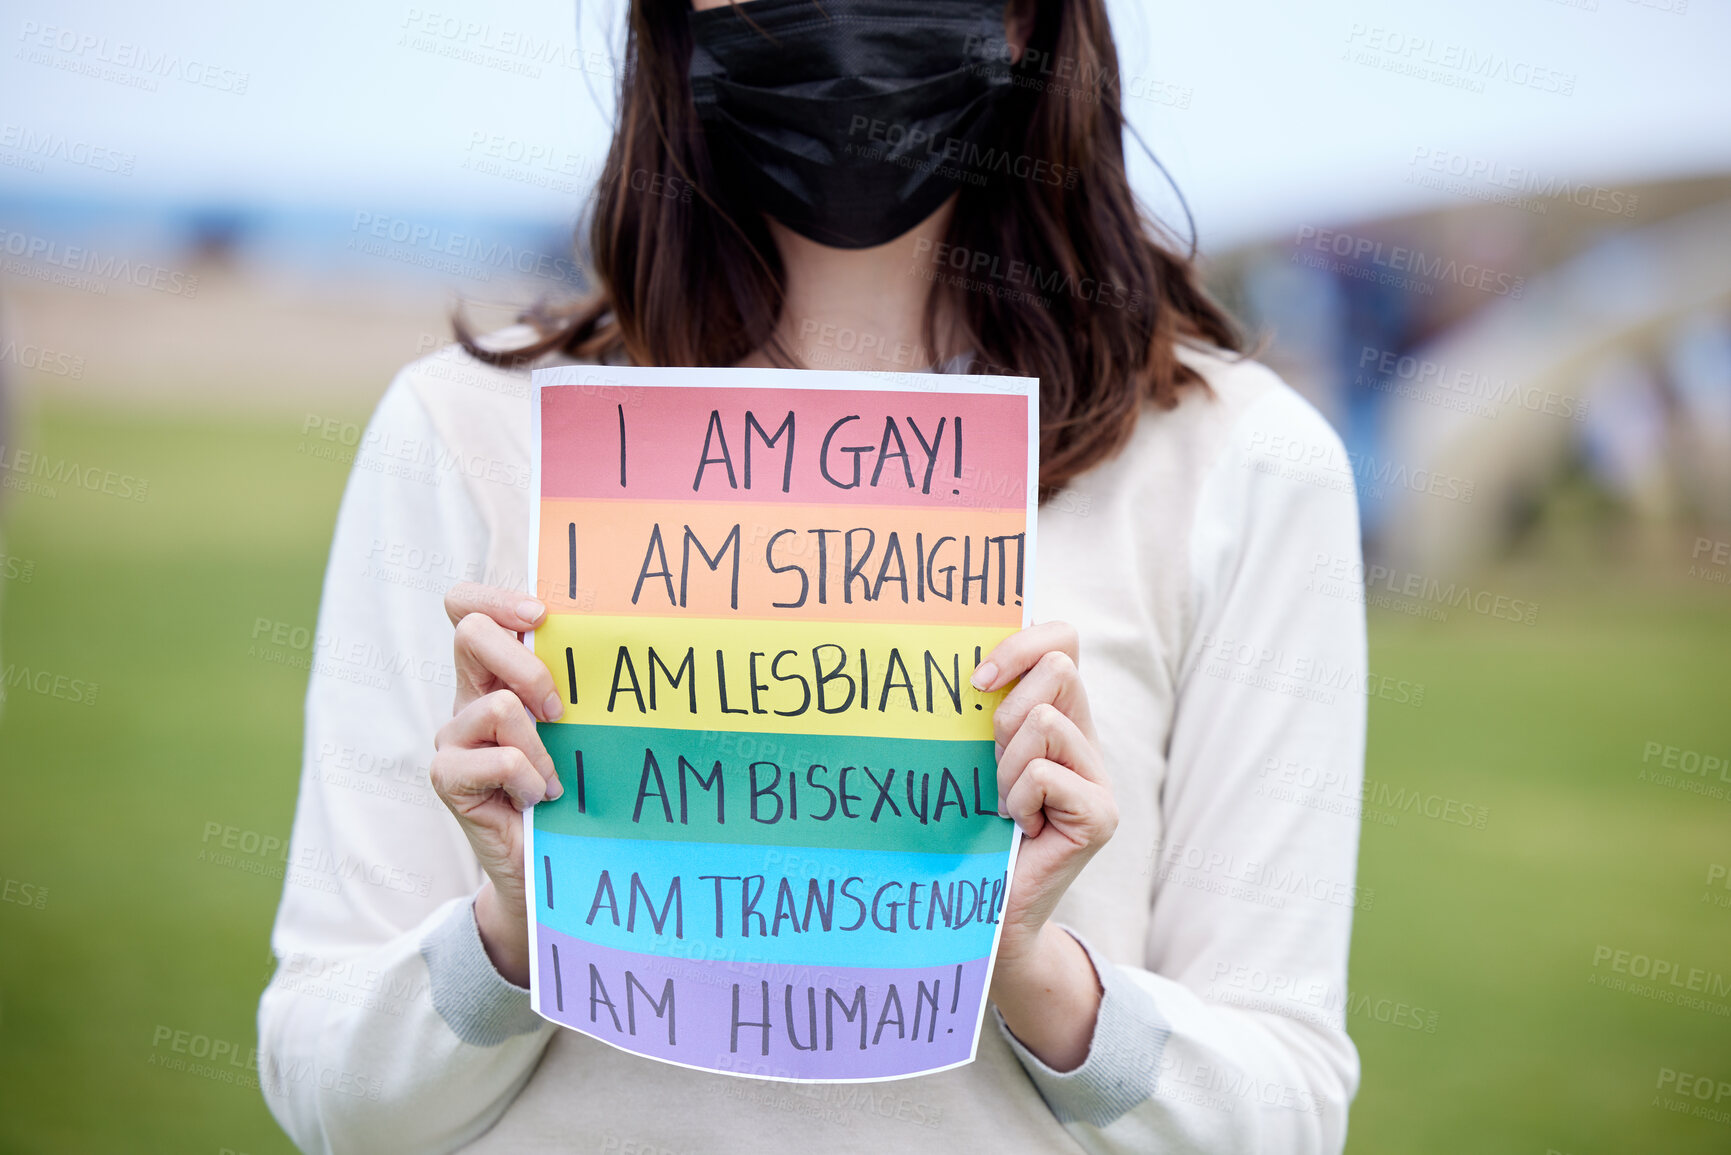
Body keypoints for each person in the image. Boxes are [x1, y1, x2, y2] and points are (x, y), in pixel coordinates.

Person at [259, 0, 1368, 1151]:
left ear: (1032, 20)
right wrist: (522, 929)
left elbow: (1282, 1115)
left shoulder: (1244, 466)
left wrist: (1040, 977)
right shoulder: (460, 433)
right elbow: (327, 1093)